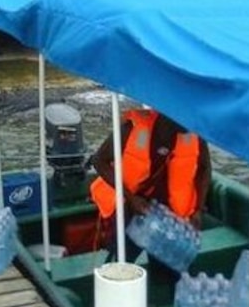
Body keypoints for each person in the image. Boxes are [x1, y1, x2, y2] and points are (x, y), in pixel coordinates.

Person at [90, 107, 211, 284]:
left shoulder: (193, 135)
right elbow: (99, 161)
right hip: (132, 207)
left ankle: (163, 299)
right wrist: (131, 198)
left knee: (170, 269)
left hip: (168, 214)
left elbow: (205, 168)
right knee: (122, 263)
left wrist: (198, 209)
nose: (189, 120)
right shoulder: (132, 129)